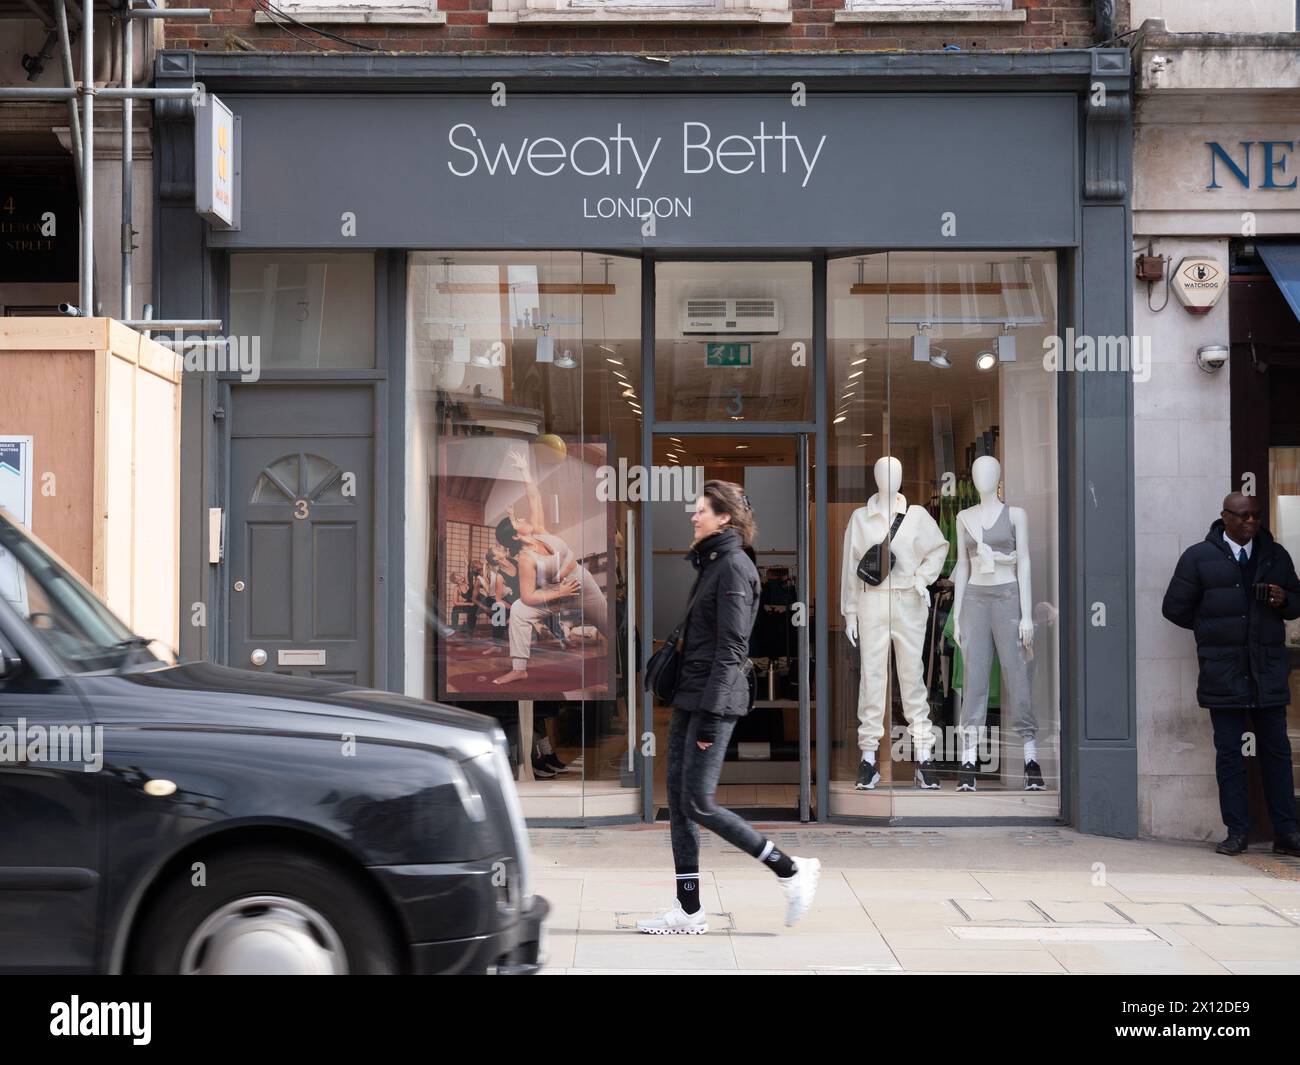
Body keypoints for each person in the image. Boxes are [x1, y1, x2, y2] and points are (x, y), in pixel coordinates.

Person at [636, 480, 820, 934]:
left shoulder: (735, 568)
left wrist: (710, 718)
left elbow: (732, 649)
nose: (693, 516)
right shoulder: (713, 564)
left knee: (699, 803)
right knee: (679, 803)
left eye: (702, 510)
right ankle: (689, 910)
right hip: (690, 696)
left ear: (724, 518)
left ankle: (790, 869)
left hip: (712, 702)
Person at [1161, 491, 1300, 856]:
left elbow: (1296, 603)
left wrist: (1284, 599)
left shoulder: (1275, 555)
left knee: (1277, 755)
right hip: (1223, 673)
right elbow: (1174, 608)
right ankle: (1237, 832)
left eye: (1256, 515)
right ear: (1224, 517)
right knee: (1230, 757)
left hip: (1267, 672)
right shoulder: (1198, 557)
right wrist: (1211, 630)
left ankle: (1287, 833)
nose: (1251, 521)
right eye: (1243, 515)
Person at [492, 445, 608, 686]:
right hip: (558, 593)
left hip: (581, 582)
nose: (522, 517)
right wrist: (559, 593)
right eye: (517, 520)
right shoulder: (526, 559)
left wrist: (524, 470)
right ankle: (519, 669)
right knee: (519, 610)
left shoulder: (539, 532)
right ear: (515, 536)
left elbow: (534, 497)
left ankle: (625, 664)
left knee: (609, 624)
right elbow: (527, 596)